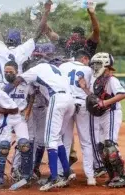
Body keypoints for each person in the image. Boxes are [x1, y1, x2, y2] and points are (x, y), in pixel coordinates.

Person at [6, 60, 75, 191]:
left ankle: (54, 178)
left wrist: (1, 91)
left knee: (49, 140)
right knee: (57, 137)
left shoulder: (35, 69)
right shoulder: (54, 68)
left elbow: (17, 81)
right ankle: (67, 172)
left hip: (57, 99)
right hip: (69, 100)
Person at [0, 1, 52, 88]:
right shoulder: (22, 50)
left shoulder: (1, 49)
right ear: (19, 41)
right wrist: (46, 12)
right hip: (14, 87)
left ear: (7, 41)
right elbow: (38, 32)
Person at [78, 52, 125, 188]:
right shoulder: (98, 80)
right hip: (102, 115)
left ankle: (121, 176)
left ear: (105, 65)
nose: (94, 67)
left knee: (110, 145)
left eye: (97, 64)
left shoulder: (112, 80)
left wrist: (105, 103)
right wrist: (85, 89)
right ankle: (112, 177)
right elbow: (95, 98)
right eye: (93, 65)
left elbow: (122, 94)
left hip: (111, 113)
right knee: (101, 147)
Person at [59, 49, 96, 185]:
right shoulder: (87, 69)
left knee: (65, 140)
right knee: (86, 141)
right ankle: (90, 177)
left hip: (66, 103)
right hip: (82, 104)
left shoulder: (63, 66)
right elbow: (91, 91)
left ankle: (63, 174)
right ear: (84, 58)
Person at [1, 61, 33, 190]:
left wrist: (28, 110)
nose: (8, 74)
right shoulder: (1, 85)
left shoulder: (25, 85)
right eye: (6, 72)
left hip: (20, 117)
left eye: (10, 72)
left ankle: (23, 175)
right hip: (6, 118)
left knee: (24, 144)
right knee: (3, 146)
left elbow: (32, 95)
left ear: (17, 72)